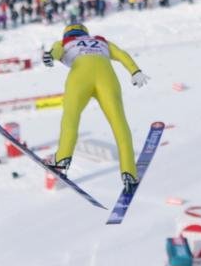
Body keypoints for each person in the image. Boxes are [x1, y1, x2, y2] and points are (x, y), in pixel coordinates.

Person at [41, 23, 149, 190]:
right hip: (107, 78)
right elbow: (121, 55)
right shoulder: (101, 41)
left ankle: (62, 158)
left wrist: (50, 57)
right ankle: (129, 172)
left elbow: (55, 51)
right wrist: (135, 71)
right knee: (119, 123)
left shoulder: (65, 42)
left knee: (71, 116)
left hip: (80, 76)